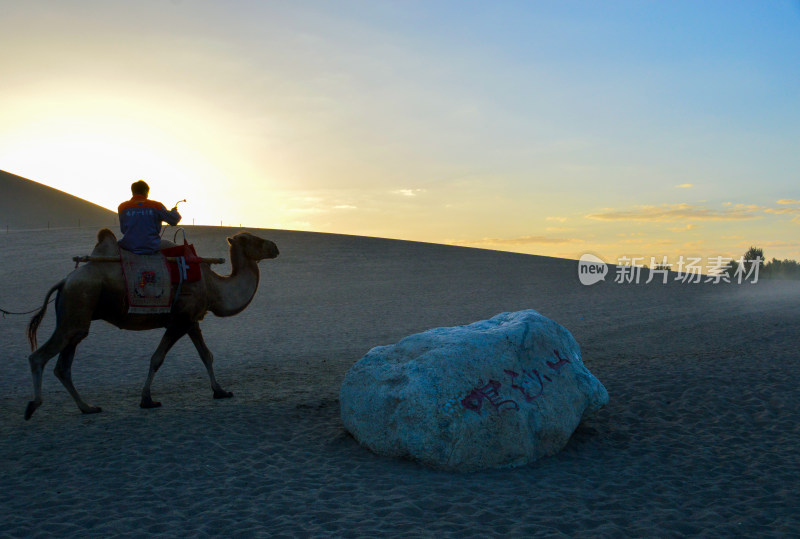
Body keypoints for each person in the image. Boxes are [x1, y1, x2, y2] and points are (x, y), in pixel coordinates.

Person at [118, 180, 181, 254]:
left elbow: (123, 230)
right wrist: (174, 211)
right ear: (146, 192)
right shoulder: (156, 206)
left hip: (129, 246)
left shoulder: (122, 207)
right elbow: (174, 219)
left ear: (132, 192)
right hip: (152, 246)